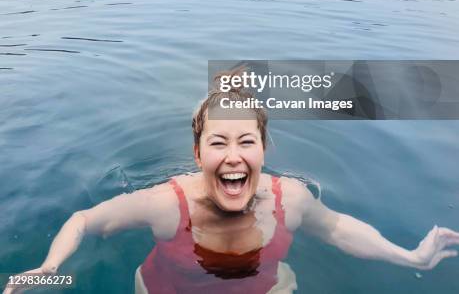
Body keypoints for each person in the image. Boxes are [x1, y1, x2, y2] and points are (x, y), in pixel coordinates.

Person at [4, 87, 459, 294]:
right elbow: (85, 219)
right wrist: (49, 266)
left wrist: (411, 258)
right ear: (198, 154)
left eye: (246, 142)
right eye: (218, 143)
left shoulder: (290, 199)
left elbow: (338, 229)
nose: (234, 156)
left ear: (265, 149)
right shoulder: (168, 205)